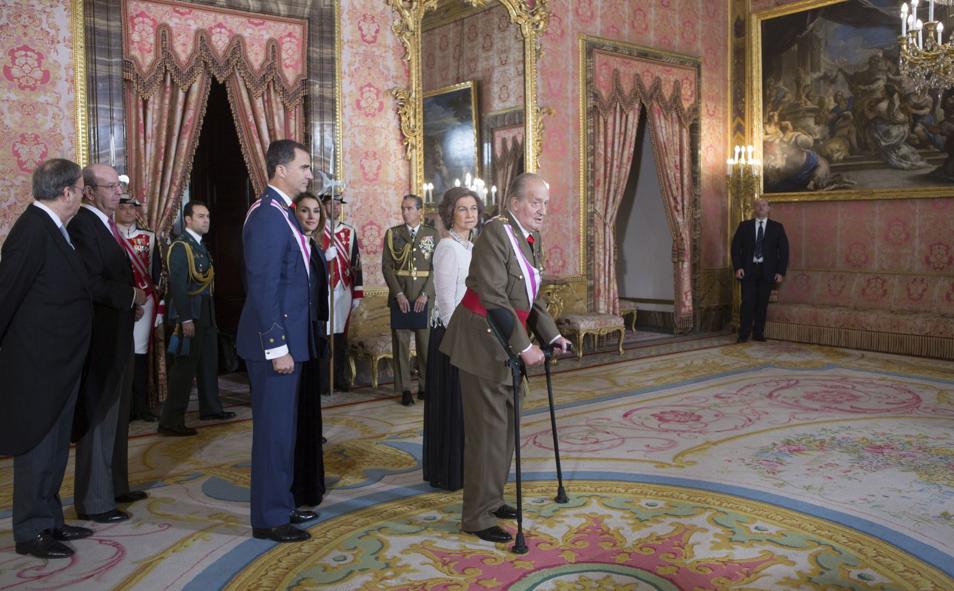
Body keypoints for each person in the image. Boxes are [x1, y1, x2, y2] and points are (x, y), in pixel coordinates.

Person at [440, 173, 571, 543]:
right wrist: (525, 346)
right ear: (514, 203)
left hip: (501, 340)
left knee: (505, 427)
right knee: (488, 433)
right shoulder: (497, 233)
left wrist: (553, 335)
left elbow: (529, 296)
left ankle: (492, 498)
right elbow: (495, 297)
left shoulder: (528, 238)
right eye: (535, 201)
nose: (542, 210)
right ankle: (476, 517)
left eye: (546, 202)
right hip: (481, 343)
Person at [0, 159, 94, 559]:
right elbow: (6, 295)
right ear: (67, 192)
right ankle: (30, 530)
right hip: (37, 363)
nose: (83, 195)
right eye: (80, 188)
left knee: (56, 445)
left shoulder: (56, 229)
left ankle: (50, 518)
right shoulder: (32, 231)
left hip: (60, 361)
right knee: (38, 444)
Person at [236, 139, 319, 543]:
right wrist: (277, 346)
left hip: (291, 341)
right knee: (273, 432)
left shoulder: (283, 213)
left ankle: (281, 503)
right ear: (280, 169)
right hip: (275, 345)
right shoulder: (267, 215)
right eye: (304, 167)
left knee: (284, 431)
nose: (310, 174)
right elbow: (263, 285)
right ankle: (268, 517)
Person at [69, 163, 149, 524]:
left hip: (118, 332)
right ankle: (94, 500)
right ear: (88, 192)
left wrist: (127, 306)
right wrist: (131, 296)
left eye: (119, 186)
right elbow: (91, 283)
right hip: (99, 339)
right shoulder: (83, 226)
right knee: (100, 419)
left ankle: (116, 486)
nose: (120, 192)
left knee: (117, 420)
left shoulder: (105, 225)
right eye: (112, 186)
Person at [423, 187, 482, 491]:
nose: (469, 214)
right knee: (453, 406)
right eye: (462, 209)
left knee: (465, 407)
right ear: (450, 213)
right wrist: (462, 343)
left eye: (473, 208)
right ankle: (448, 471)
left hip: (465, 335)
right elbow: (446, 303)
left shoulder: (471, 247)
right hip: (450, 337)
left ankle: (462, 467)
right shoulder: (447, 248)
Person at [160, 201, 235, 437]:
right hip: (190, 312)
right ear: (188, 219)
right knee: (184, 369)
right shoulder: (181, 247)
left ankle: (211, 408)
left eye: (208, 216)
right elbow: (178, 287)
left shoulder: (200, 246)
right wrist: (185, 319)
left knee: (208, 362)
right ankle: (171, 420)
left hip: (206, 311)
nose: (206, 220)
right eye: (201, 216)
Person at [291, 191, 330, 507]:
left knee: (311, 413)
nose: (311, 216)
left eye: (316, 211)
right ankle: (301, 487)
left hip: (313, 336)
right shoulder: (294, 247)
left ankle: (312, 482)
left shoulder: (314, 246)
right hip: (296, 338)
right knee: (299, 414)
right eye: (304, 210)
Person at [382, 194, 438, 406]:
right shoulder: (393, 234)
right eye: (403, 208)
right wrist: (398, 294)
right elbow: (387, 267)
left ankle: (425, 386)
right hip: (401, 297)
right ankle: (404, 388)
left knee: (425, 347)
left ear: (419, 211)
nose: (405, 212)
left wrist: (426, 294)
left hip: (423, 298)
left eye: (409, 208)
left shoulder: (432, 235)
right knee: (401, 347)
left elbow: (436, 268)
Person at [114, 195, 161, 422]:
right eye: (123, 208)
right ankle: (124, 407)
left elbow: (157, 272)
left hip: (146, 299)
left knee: (140, 353)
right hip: (119, 301)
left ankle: (141, 407)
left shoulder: (149, 237)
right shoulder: (110, 235)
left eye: (132, 208)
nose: (129, 212)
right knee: (121, 353)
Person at [319, 191, 363, 393]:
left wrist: (358, 292)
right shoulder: (317, 231)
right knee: (324, 335)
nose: (335, 207)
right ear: (323, 206)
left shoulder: (349, 231)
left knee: (340, 337)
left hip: (344, 288)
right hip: (325, 289)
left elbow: (356, 263)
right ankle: (323, 379)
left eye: (338, 204)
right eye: (331, 204)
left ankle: (340, 377)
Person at [731, 198, 789, 343]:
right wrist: (738, 267)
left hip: (768, 271)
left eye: (764, 205)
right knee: (747, 303)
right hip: (748, 270)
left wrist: (780, 272)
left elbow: (784, 251)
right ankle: (743, 334)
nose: (761, 207)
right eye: (758, 205)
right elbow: (735, 248)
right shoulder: (744, 226)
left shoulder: (777, 227)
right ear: (754, 209)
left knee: (762, 304)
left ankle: (758, 333)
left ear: (769, 208)